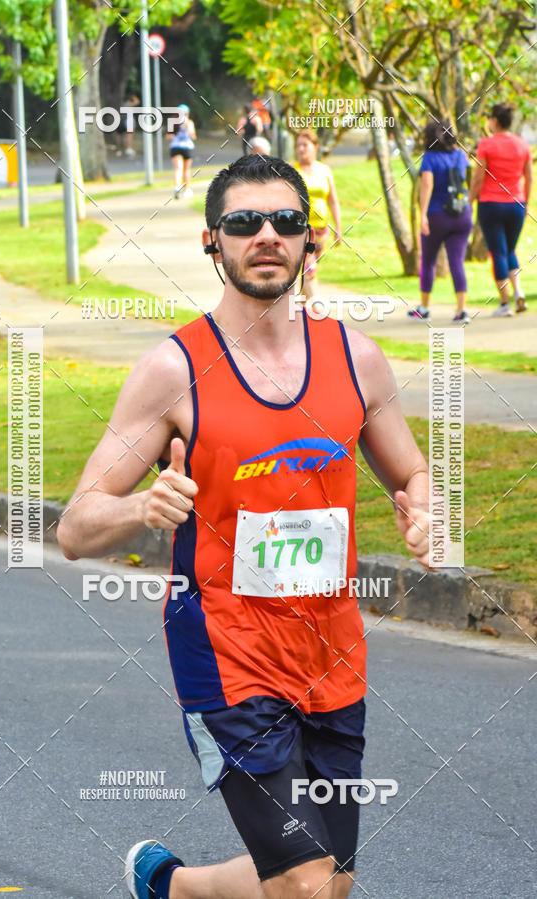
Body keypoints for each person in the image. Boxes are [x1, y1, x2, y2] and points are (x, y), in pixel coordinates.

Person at [57, 154, 430, 899]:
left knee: (333, 882)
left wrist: (423, 505)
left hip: (331, 650)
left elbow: (411, 472)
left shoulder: (358, 359)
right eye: (244, 222)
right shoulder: (174, 369)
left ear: (309, 241)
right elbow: (75, 525)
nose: (267, 235)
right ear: (212, 241)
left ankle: (171, 886)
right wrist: (140, 508)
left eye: (286, 221)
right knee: (302, 882)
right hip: (226, 652)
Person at [469, 104, 532, 316]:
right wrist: (526, 203)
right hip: (517, 203)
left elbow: (478, 176)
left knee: (497, 252)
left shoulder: (486, 144)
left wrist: (469, 200)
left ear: (494, 121)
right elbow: (529, 177)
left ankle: (505, 304)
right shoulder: (522, 145)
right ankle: (519, 291)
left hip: (491, 204)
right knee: (510, 249)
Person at [408, 119, 473, 323]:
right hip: (462, 215)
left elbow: (427, 183)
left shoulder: (430, 157)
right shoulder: (460, 155)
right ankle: (461, 311)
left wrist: (423, 214)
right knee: (457, 262)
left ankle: (424, 308)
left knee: (428, 261)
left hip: (437, 215)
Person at [293, 130, 342, 299]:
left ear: (315, 147)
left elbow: (333, 201)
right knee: (308, 268)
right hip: (301, 230)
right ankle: (317, 309)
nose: (300, 149)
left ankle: (301, 310)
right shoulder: (293, 171)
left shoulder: (325, 170)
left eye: (304, 145)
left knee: (307, 271)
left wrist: (338, 228)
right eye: (298, 145)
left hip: (321, 230)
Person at [167, 104, 196, 199]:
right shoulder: (189, 122)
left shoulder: (173, 122)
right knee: (186, 169)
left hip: (175, 147)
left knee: (177, 168)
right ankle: (186, 189)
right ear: (187, 113)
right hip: (187, 147)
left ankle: (177, 186)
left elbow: (168, 136)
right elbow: (192, 136)